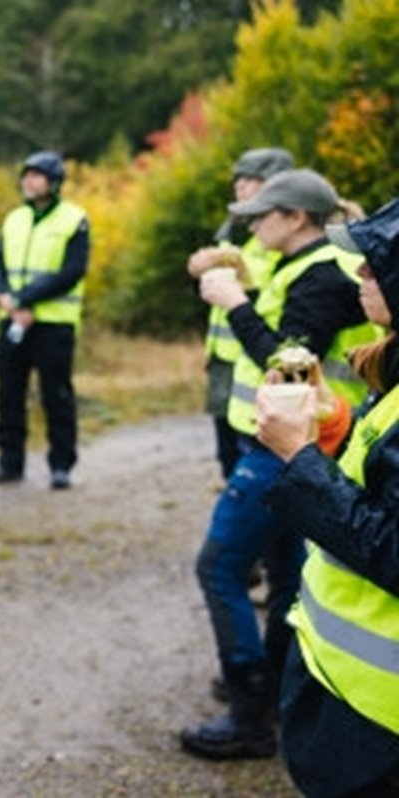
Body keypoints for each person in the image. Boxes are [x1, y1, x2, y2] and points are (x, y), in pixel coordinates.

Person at [180, 168, 380, 760]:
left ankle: (250, 711)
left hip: (296, 447)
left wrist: (235, 303)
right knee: (291, 577)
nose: (252, 223)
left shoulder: (321, 276)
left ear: (296, 219)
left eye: (264, 214)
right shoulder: (305, 266)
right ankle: (279, 697)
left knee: (219, 567)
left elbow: (286, 367)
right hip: (307, 444)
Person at [257, 199, 399, 797]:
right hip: (344, 685)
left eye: (377, 265)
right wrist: (332, 425)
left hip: (378, 715)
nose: (360, 274)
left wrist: (301, 457)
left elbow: (390, 547)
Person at [0, 151, 89, 490]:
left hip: (53, 326)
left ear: (54, 182)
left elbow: (71, 273)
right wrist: (5, 297)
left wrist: (24, 298)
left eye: (36, 175)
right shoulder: (13, 218)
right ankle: (9, 462)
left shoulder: (75, 220)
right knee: (9, 394)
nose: (28, 180)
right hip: (12, 321)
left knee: (55, 395)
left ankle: (61, 465)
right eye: (25, 174)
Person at [187, 147, 294, 479]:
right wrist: (199, 273)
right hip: (225, 356)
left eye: (250, 180)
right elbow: (213, 293)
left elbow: (274, 301)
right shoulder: (236, 230)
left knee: (259, 454)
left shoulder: (284, 239)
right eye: (237, 180)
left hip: (260, 356)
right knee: (227, 451)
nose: (239, 186)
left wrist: (241, 276)